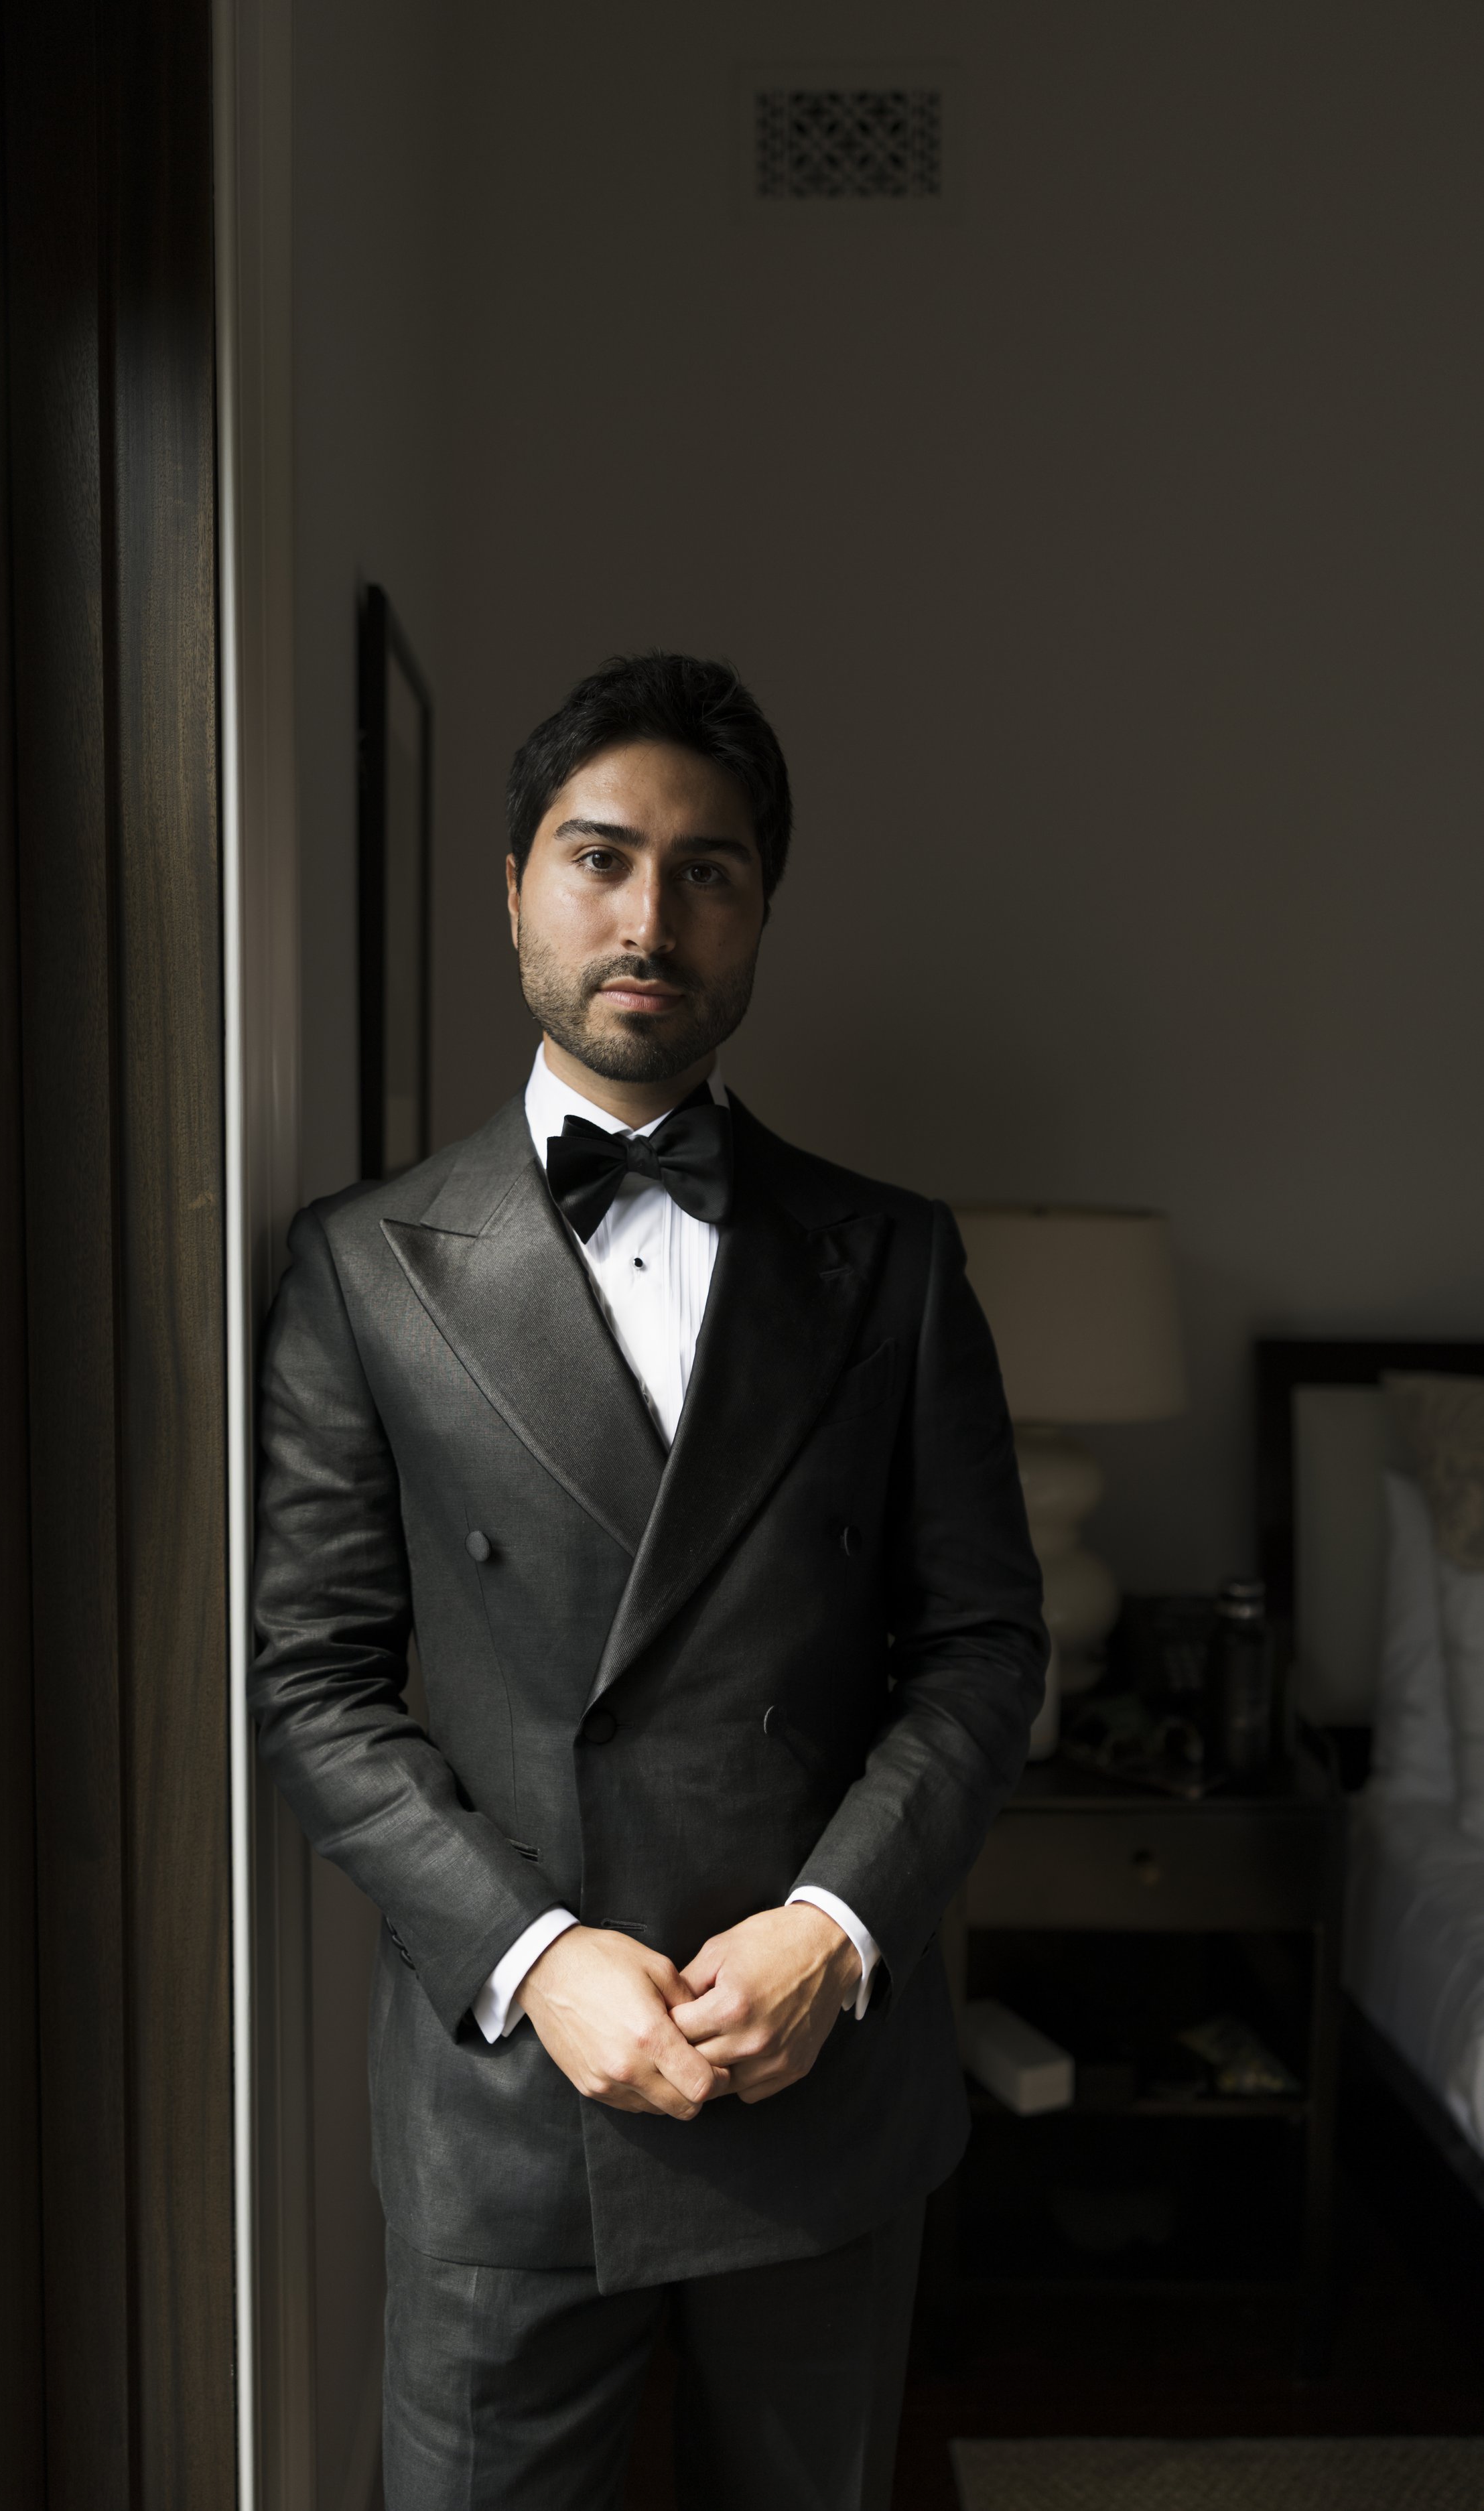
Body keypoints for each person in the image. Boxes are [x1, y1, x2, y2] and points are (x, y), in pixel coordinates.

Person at [251, 652, 1047, 2510]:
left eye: (708, 872)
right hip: (509, 2099)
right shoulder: (362, 1266)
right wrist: (536, 1960)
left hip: (819, 2078)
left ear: (762, 911)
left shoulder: (893, 1258)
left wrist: (834, 1928)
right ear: (514, 885)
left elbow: (983, 1646)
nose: (649, 918)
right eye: (599, 857)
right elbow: (312, 1685)